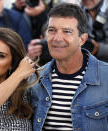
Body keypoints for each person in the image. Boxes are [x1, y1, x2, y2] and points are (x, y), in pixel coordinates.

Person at [30, 3, 108, 131]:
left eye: (67, 31)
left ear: (82, 39)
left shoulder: (106, 77)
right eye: (51, 30)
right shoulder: (34, 79)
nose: (57, 38)